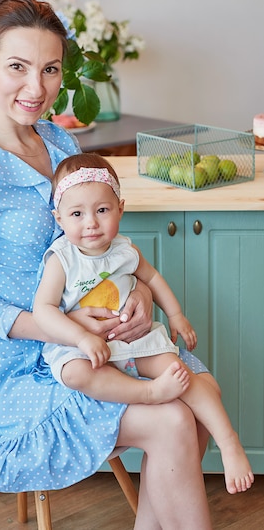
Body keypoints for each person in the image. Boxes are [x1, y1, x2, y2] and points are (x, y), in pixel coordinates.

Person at [0, 0, 219, 529]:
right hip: (12, 369)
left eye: (51, 70)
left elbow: (100, 247)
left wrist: (141, 295)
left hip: (94, 340)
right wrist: (63, 330)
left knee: (196, 405)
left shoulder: (58, 142)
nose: (37, 88)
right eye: (17, 67)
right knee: (173, 420)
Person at [33, 152, 254, 495]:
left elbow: (152, 277)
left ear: (120, 209)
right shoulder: (61, 260)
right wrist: (80, 337)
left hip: (135, 340)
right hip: (85, 346)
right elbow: (43, 310)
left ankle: (229, 442)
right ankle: (147, 393)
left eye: (102, 210)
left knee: (183, 375)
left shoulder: (124, 250)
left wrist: (176, 314)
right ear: (58, 218)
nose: (91, 222)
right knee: (76, 374)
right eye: (77, 214)